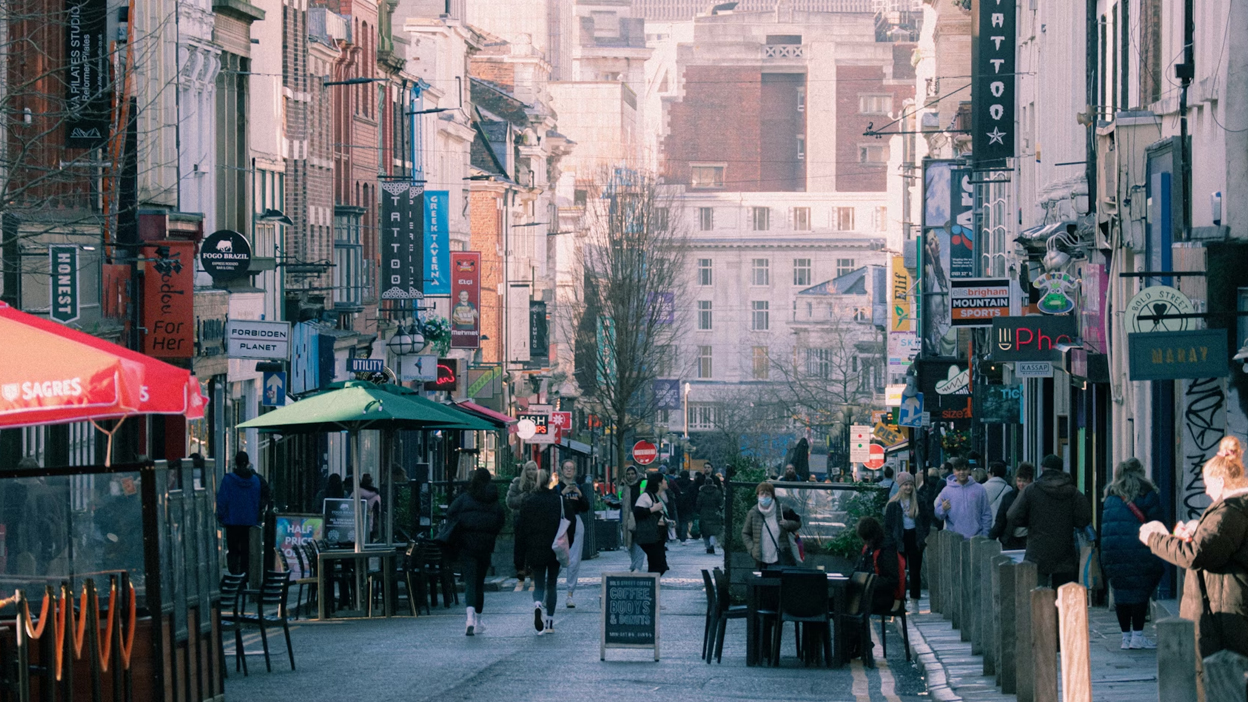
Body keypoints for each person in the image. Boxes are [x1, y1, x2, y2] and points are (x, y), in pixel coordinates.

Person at [1141, 453, 1248, 660]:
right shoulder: (1234, 510)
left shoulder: (1229, 512)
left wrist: (1153, 539)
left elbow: (1196, 555)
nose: (1206, 491)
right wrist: (1194, 533)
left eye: (1208, 484)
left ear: (1221, 481)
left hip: (1223, 610)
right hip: (1223, 603)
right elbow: (1214, 546)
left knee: (1217, 671)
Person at [1100, 458, 1164, 649]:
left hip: (1113, 552)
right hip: (1140, 549)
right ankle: (1138, 636)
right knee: (1139, 592)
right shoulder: (1146, 493)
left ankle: (1125, 638)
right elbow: (1157, 523)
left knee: (1121, 593)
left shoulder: (1110, 496)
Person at [1007, 454, 1092, 588]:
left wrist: (1030, 522)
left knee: (1037, 594)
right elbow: (1084, 518)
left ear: (1042, 469)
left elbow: (1013, 516)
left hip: (1037, 552)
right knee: (1063, 594)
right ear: (1061, 469)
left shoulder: (1031, 490)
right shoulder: (1072, 492)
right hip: (1064, 552)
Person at [446, 468, 504, 636]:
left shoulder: (465, 498)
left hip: (467, 545)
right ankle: (478, 621)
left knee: (470, 582)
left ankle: (469, 618)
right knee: (479, 583)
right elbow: (500, 519)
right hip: (485, 546)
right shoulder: (493, 499)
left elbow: (450, 512)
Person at [518, 469, 562, 634]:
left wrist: (521, 554)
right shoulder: (557, 500)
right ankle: (549, 622)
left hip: (535, 547)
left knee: (538, 582)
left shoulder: (528, 501)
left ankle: (537, 604)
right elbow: (567, 521)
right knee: (552, 584)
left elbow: (521, 528)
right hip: (554, 546)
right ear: (548, 481)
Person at [884, 472, 929, 608]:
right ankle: (900, 599)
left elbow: (926, 520)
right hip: (900, 538)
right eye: (905, 485)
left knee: (915, 570)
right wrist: (892, 540)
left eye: (910, 484)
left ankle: (915, 599)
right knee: (900, 570)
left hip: (915, 537)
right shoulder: (893, 504)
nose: (908, 487)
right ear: (900, 486)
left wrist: (923, 535)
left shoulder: (919, 501)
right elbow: (888, 524)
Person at [217, 451, 263, 575]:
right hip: (250, 521)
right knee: (246, 551)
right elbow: (257, 500)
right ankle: (244, 574)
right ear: (247, 463)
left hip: (232, 522)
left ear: (235, 463)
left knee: (233, 550)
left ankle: (235, 574)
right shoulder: (255, 481)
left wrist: (221, 517)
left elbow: (222, 500)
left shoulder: (228, 480)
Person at [554, 460, 590, 608]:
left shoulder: (578, 488)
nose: (569, 470)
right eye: (566, 468)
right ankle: (549, 590)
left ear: (574, 471)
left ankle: (570, 594)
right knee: (557, 557)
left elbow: (586, 507)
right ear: (562, 470)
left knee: (574, 560)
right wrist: (563, 493)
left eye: (571, 468)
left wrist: (579, 494)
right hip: (561, 522)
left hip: (576, 521)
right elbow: (553, 504)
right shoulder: (557, 488)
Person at [741, 482, 801, 569]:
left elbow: (798, 523)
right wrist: (752, 549)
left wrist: (788, 524)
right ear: (757, 496)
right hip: (761, 559)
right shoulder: (753, 512)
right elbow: (745, 533)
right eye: (762, 493)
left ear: (772, 496)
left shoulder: (783, 509)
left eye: (767, 493)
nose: (764, 496)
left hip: (782, 557)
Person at [933, 458, 993, 540]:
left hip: (977, 538)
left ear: (969, 470)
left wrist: (985, 535)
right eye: (958, 470)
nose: (961, 472)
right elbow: (938, 515)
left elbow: (986, 513)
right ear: (954, 471)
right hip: (954, 539)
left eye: (964, 469)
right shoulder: (946, 491)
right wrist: (943, 509)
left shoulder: (980, 489)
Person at [855, 516, 901, 615]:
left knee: (849, 603)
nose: (865, 542)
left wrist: (869, 582)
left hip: (883, 596)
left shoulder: (886, 549)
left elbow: (892, 579)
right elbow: (858, 569)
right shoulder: (868, 549)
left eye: (867, 539)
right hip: (869, 593)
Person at [506, 460, 541, 589]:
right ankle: (520, 569)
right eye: (528, 469)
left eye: (533, 469)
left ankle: (532, 568)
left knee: (534, 544)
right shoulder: (517, 483)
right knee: (520, 544)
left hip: (535, 519)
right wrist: (523, 497)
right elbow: (510, 501)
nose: (531, 472)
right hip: (521, 518)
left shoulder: (540, 483)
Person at [633, 471, 671, 575]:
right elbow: (637, 512)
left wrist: (668, 521)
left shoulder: (657, 496)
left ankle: (652, 582)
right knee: (658, 565)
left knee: (658, 565)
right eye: (664, 480)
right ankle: (651, 582)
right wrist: (652, 509)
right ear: (659, 483)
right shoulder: (646, 496)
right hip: (649, 536)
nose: (666, 482)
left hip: (658, 536)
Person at [990, 462, 1034, 550]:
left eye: (1024, 481)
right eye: (1019, 481)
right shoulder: (1008, 497)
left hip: (1028, 540)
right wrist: (991, 537)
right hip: (1010, 539)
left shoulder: (1034, 497)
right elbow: (1000, 520)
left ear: (1030, 481)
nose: (1021, 484)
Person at [620, 466, 646, 571]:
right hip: (627, 518)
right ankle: (634, 564)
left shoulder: (642, 483)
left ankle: (637, 566)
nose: (630, 476)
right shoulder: (624, 486)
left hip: (640, 517)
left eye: (632, 474)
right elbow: (620, 501)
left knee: (639, 541)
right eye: (628, 474)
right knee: (630, 541)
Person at [697, 473, 725, 554]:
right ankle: (712, 543)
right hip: (715, 512)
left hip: (704, 513)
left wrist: (699, 511)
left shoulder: (701, 493)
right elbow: (721, 503)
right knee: (713, 530)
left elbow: (698, 504)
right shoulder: (717, 492)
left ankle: (708, 546)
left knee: (705, 531)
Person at [355, 473, 381, 540]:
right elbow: (378, 511)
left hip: (356, 522)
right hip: (371, 523)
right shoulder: (376, 495)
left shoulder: (356, 492)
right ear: (371, 482)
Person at [676, 468, 696, 543]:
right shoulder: (691, 484)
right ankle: (683, 536)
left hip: (678, 504)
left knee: (679, 520)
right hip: (688, 504)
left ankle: (679, 534)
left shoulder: (676, 482)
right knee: (685, 521)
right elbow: (693, 495)